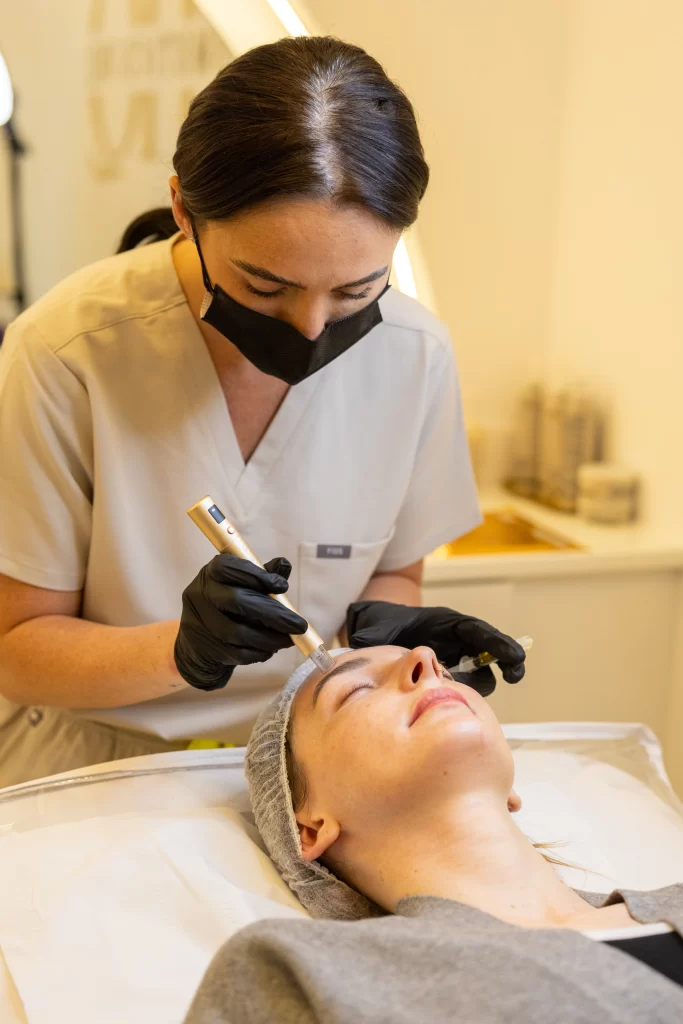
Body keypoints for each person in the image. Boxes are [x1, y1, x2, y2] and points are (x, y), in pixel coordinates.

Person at [0, 36, 525, 788]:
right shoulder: (65, 352)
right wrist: (180, 649)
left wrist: (388, 637)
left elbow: (391, 576)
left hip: (308, 767)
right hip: (97, 767)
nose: (312, 328)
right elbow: (17, 649)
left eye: (354, 292)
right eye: (265, 287)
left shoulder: (414, 354)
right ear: (185, 209)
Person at [183, 646, 683, 1023]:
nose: (424, 657)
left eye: (442, 671)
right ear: (309, 826)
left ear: (512, 790)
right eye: (354, 690)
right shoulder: (300, 971)